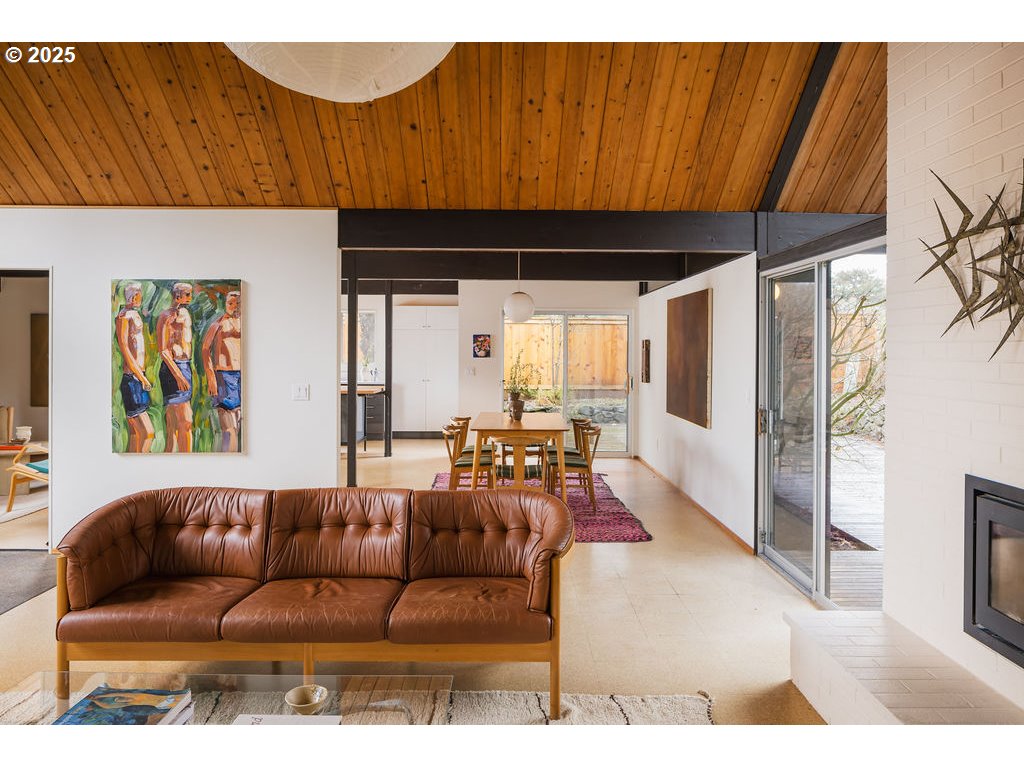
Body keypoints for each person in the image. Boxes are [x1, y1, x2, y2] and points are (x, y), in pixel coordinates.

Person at [114, 283, 154, 452]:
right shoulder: (123, 317)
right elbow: (125, 348)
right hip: (132, 378)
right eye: (138, 295)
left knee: (136, 434)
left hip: (138, 376)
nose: (141, 298)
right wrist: (141, 376)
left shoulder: (135, 315)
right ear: (132, 296)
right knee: (147, 433)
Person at [202, 290, 242, 452]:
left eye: (237, 303)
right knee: (229, 429)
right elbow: (205, 349)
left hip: (241, 376)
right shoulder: (218, 324)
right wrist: (211, 377)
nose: (234, 307)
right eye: (230, 303)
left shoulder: (244, 323)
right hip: (224, 376)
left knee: (238, 425)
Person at [156, 282, 194, 452]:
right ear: (177, 295)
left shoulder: (185, 313)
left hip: (185, 365)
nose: (190, 298)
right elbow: (163, 350)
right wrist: (179, 376)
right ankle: (187, 461)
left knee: (174, 424)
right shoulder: (166, 316)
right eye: (187, 294)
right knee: (185, 421)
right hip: (173, 368)